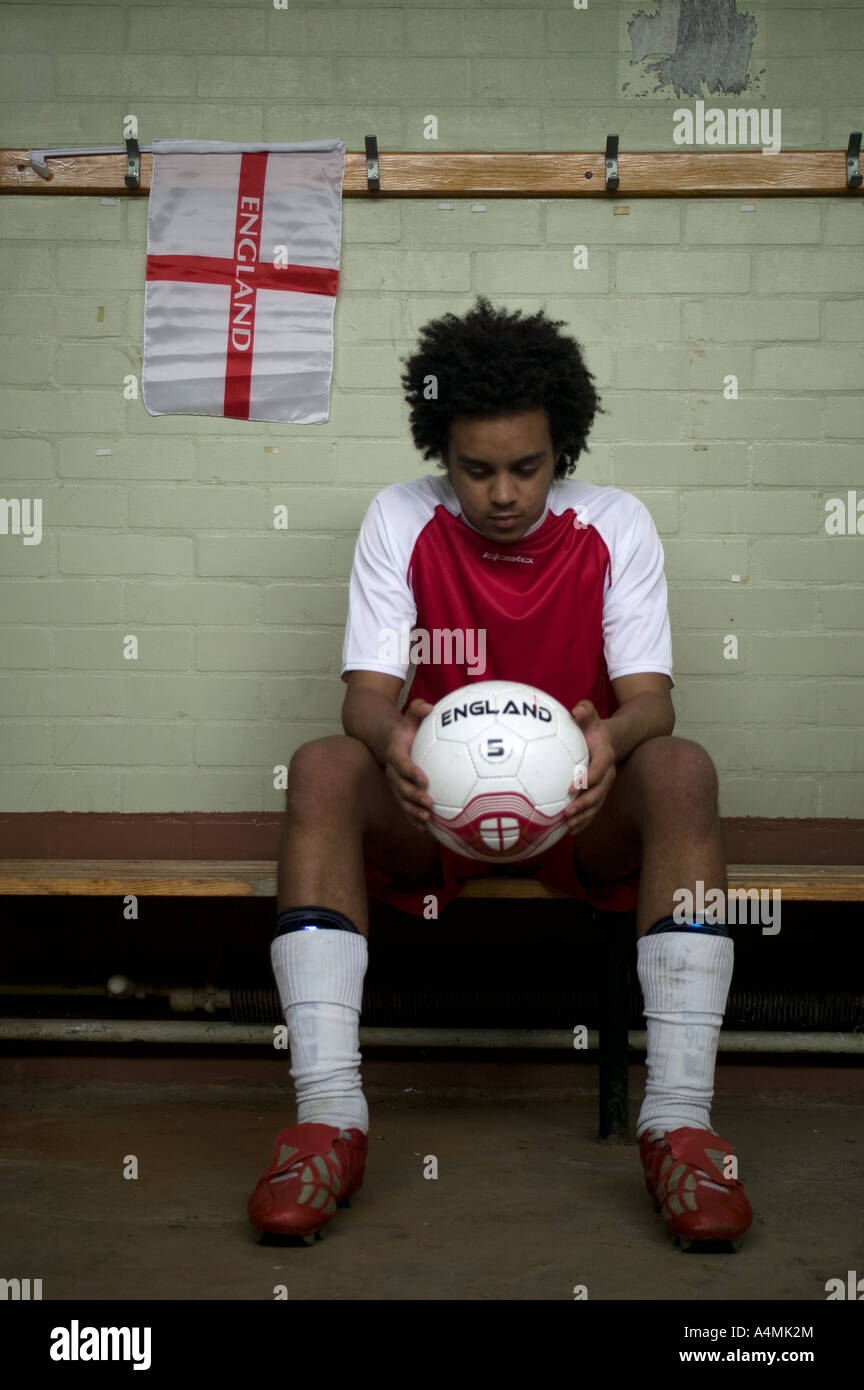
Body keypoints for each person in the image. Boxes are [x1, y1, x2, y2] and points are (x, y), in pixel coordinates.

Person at [247, 296, 753, 1249]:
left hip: (577, 805)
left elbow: (654, 702)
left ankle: (681, 1126)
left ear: (564, 449)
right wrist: (393, 737)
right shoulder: (400, 518)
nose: (504, 493)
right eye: (476, 471)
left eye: (527, 467)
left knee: (682, 768)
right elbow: (361, 698)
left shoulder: (617, 527)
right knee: (321, 765)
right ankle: (327, 1123)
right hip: (430, 806)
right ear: (442, 454)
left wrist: (615, 739)